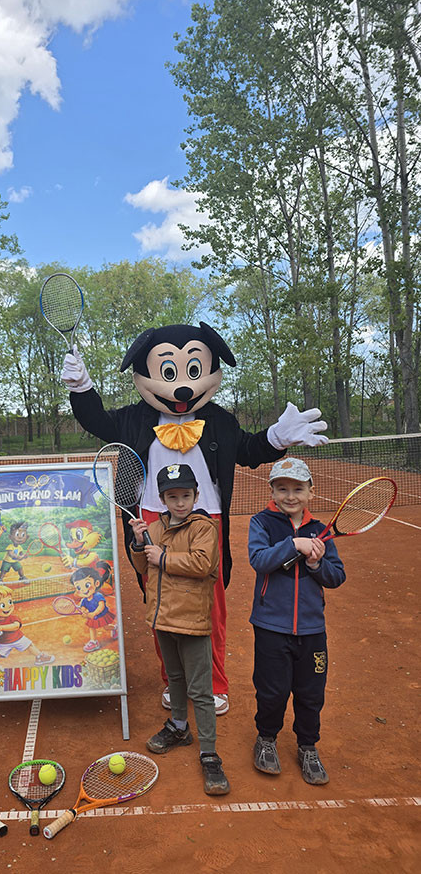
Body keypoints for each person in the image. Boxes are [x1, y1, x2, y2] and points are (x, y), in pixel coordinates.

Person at [62, 323, 328, 716]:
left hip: (207, 521)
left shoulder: (219, 420)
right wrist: (82, 388)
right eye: (169, 373)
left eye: (193, 371)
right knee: (161, 603)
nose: (182, 388)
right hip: (153, 519)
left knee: (210, 606)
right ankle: (173, 681)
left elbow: (248, 450)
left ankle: (214, 683)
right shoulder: (134, 419)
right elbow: (96, 421)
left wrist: (276, 437)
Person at [130, 463, 230, 796]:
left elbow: (203, 564)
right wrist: (138, 543)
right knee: (174, 678)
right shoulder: (154, 528)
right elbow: (143, 567)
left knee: (200, 690)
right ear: (162, 499)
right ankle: (178, 726)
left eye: (186, 495)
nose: (180, 503)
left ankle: (209, 753)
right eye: (172, 497)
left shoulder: (205, 527)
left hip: (192, 620)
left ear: (196, 495)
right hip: (162, 618)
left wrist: (163, 557)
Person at [248, 458, 346, 785]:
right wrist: (293, 545)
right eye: (282, 489)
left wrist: (317, 565)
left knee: (311, 693)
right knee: (272, 691)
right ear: (272, 492)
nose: (290, 496)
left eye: (298, 489)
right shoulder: (261, 522)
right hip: (270, 627)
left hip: (312, 629)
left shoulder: (321, 530)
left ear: (310, 492)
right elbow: (259, 560)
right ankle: (266, 739)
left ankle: (308, 746)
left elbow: (336, 576)